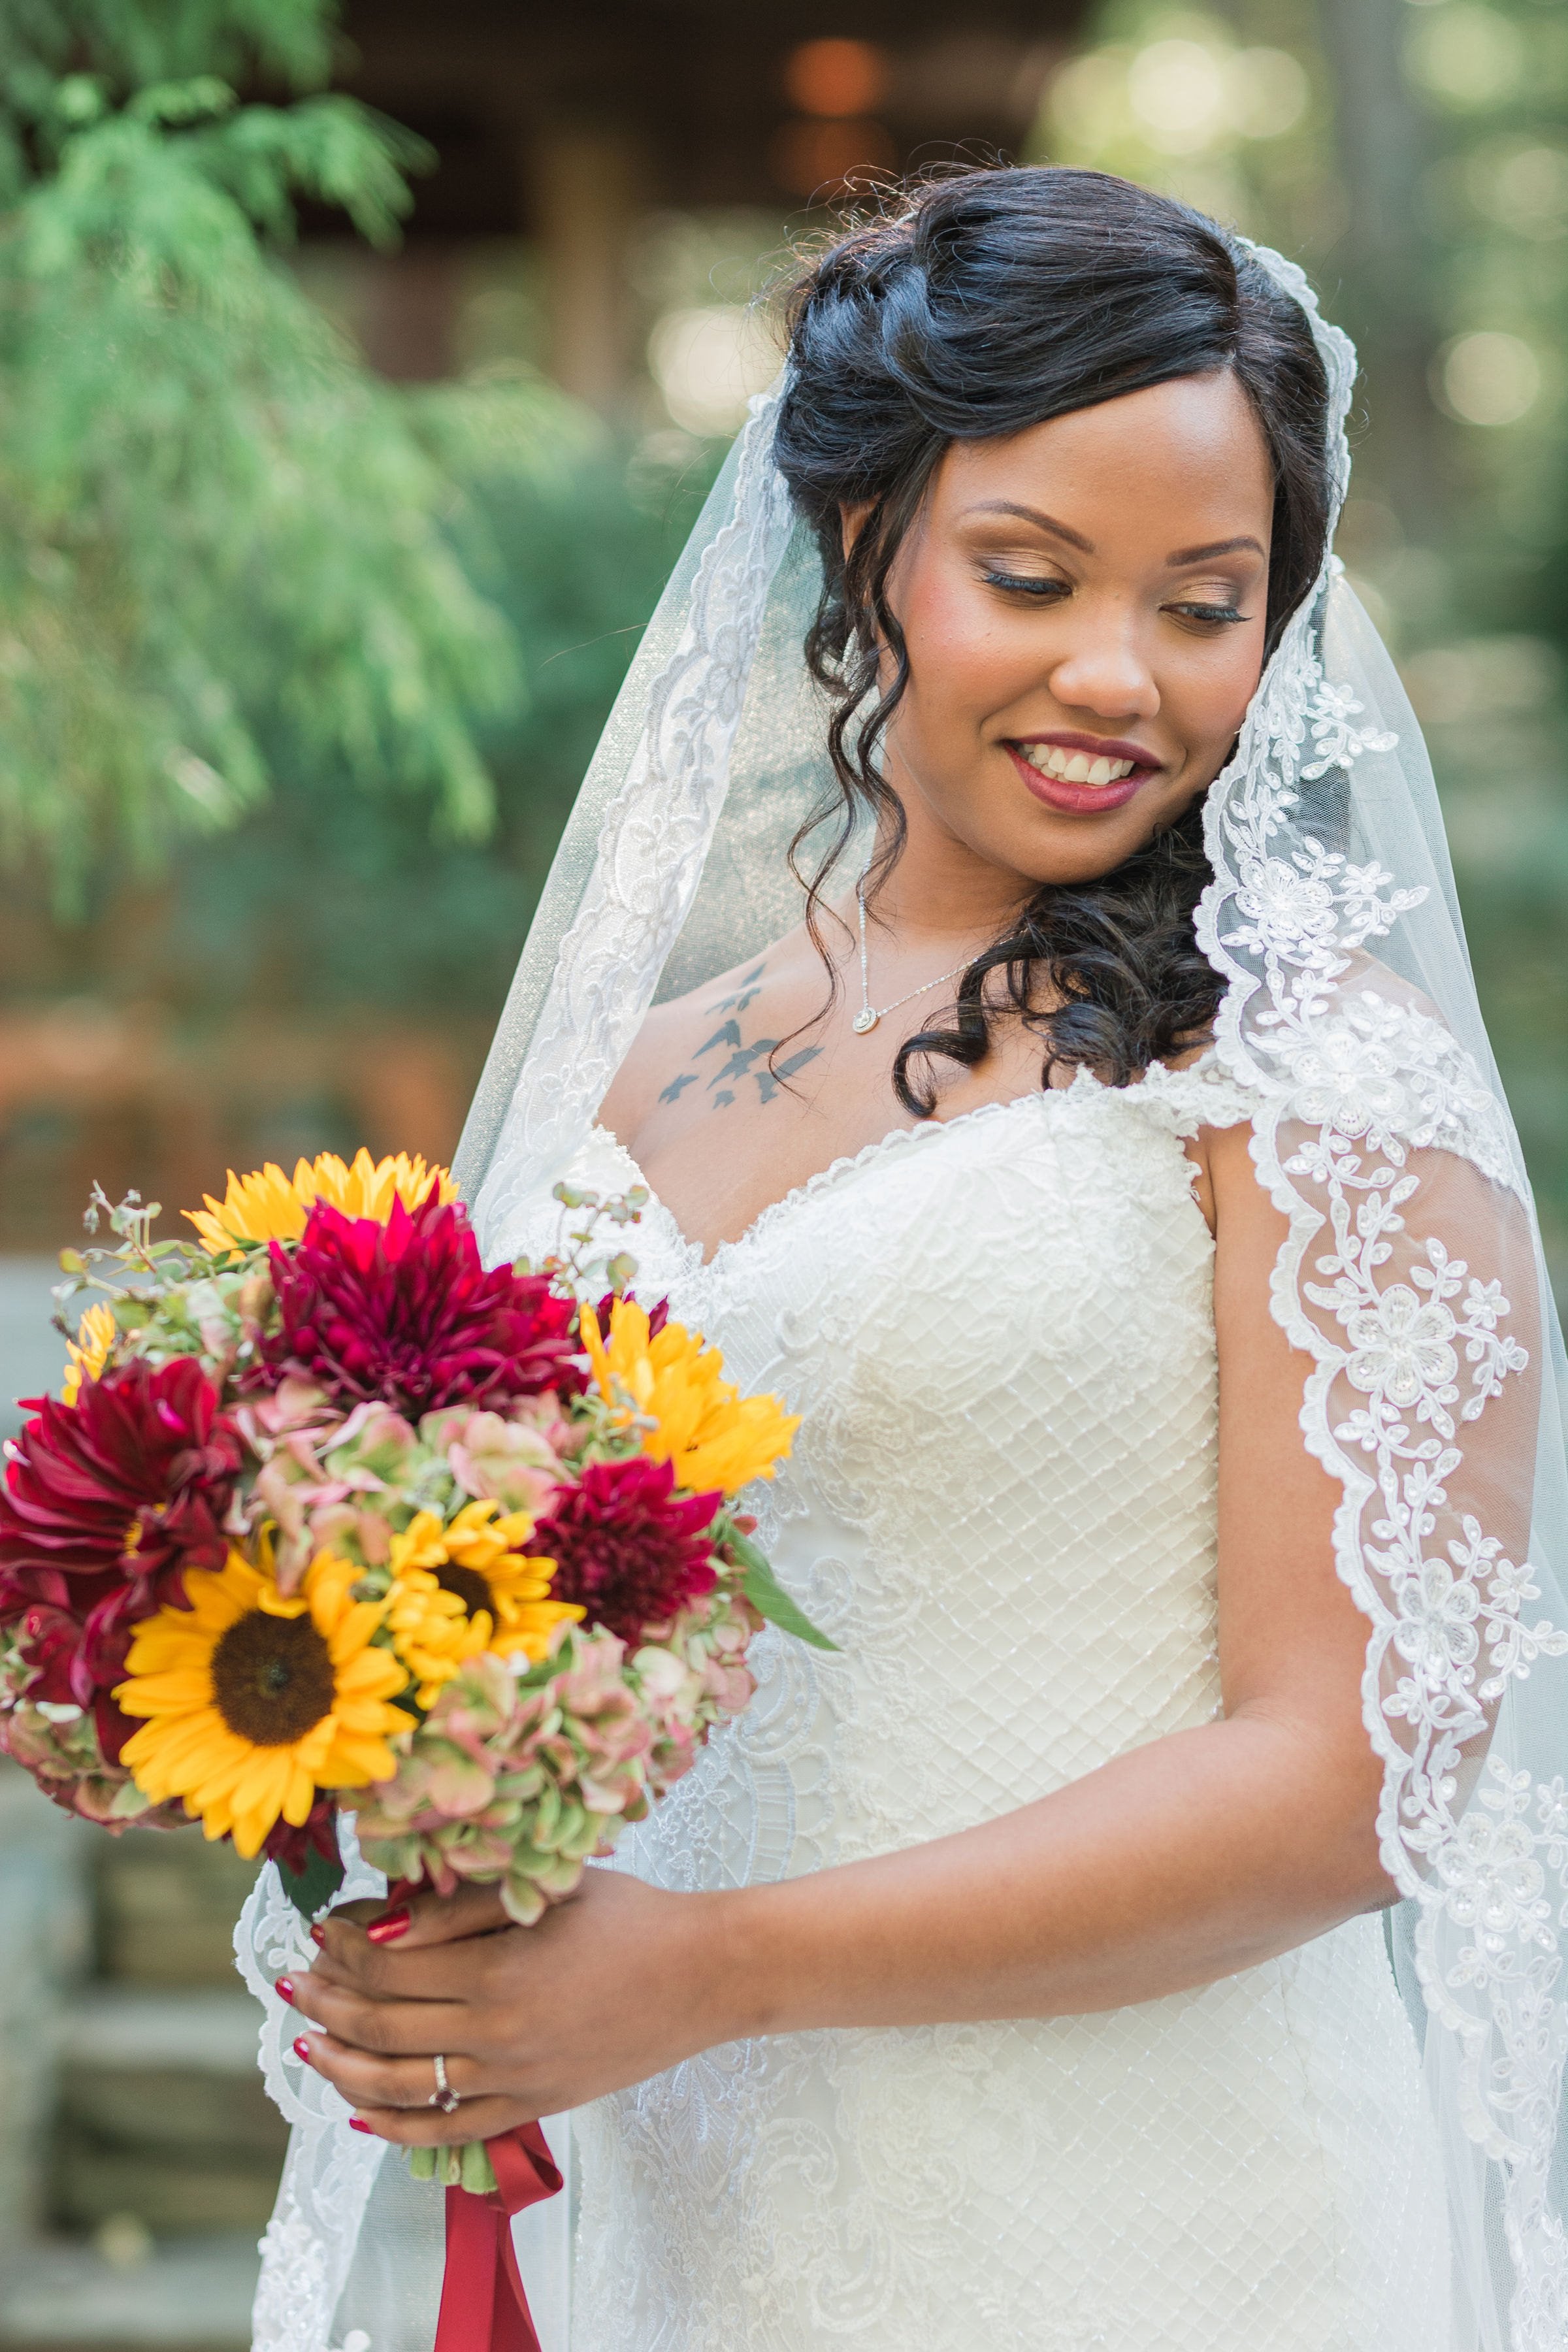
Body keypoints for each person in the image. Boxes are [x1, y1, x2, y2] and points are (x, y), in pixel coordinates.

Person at [242, 167, 1568, 2352]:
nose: (1118, 677)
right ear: (866, 545)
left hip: (1158, 2222)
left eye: (1206, 604)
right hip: (714, 2216)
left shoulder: (1315, 1069)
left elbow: (1361, 1769)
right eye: (1030, 576)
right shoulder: (640, 1074)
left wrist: (712, 1961)